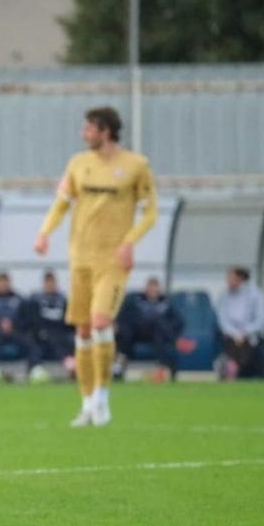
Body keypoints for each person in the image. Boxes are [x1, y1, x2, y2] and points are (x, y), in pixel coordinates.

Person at [34, 106, 158, 427]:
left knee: (101, 321)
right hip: (80, 258)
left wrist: (129, 242)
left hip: (113, 259)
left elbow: (150, 213)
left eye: (89, 129)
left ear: (105, 131)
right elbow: (61, 204)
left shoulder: (136, 165)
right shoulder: (78, 163)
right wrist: (44, 233)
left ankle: (103, 397)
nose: (83, 134)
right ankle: (87, 402)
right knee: (83, 329)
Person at [117, 277, 185, 382]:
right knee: (125, 333)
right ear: (146, 289)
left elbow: (178, 321)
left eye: (155, 288)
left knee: (159, 326)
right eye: (150, 288)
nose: (152, 291)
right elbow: (125, 318)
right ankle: (118, 368)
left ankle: (164, 370)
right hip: (137, 332)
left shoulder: (167, 304)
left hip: (158, 334)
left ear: (159, 290)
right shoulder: (135, 301)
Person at [0, 272, 41, 382]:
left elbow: (26, 319)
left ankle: (35, 369)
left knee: (30, 341)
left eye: (6, 283)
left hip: (15, 330)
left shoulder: (19, 299)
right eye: (1, 283)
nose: (4, 286)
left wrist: (13, 323)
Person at [216, 266, 264, 380]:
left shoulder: (256, 295)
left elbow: (260, 320)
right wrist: (235, 334)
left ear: (240, 279)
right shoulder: (224, 296)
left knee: (246, 346)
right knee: (232, 344)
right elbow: (222, 320)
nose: (228, 281)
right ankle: (233, 369)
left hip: (251, 336)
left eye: (231, 278)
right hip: (230, 336)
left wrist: (244, 333)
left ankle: (234, 369)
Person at [26, 270, 74, 378]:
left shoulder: (63, 300)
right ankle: (35, 368)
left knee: (67, 339)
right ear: (44, 284)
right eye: (48, 283)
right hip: (42, 334)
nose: (50, 285)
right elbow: (33, 320)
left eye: (52, 282)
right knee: (33, 342)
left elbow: (68, 322)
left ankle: (71, 364)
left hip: (60, 334)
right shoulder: (36, 300)